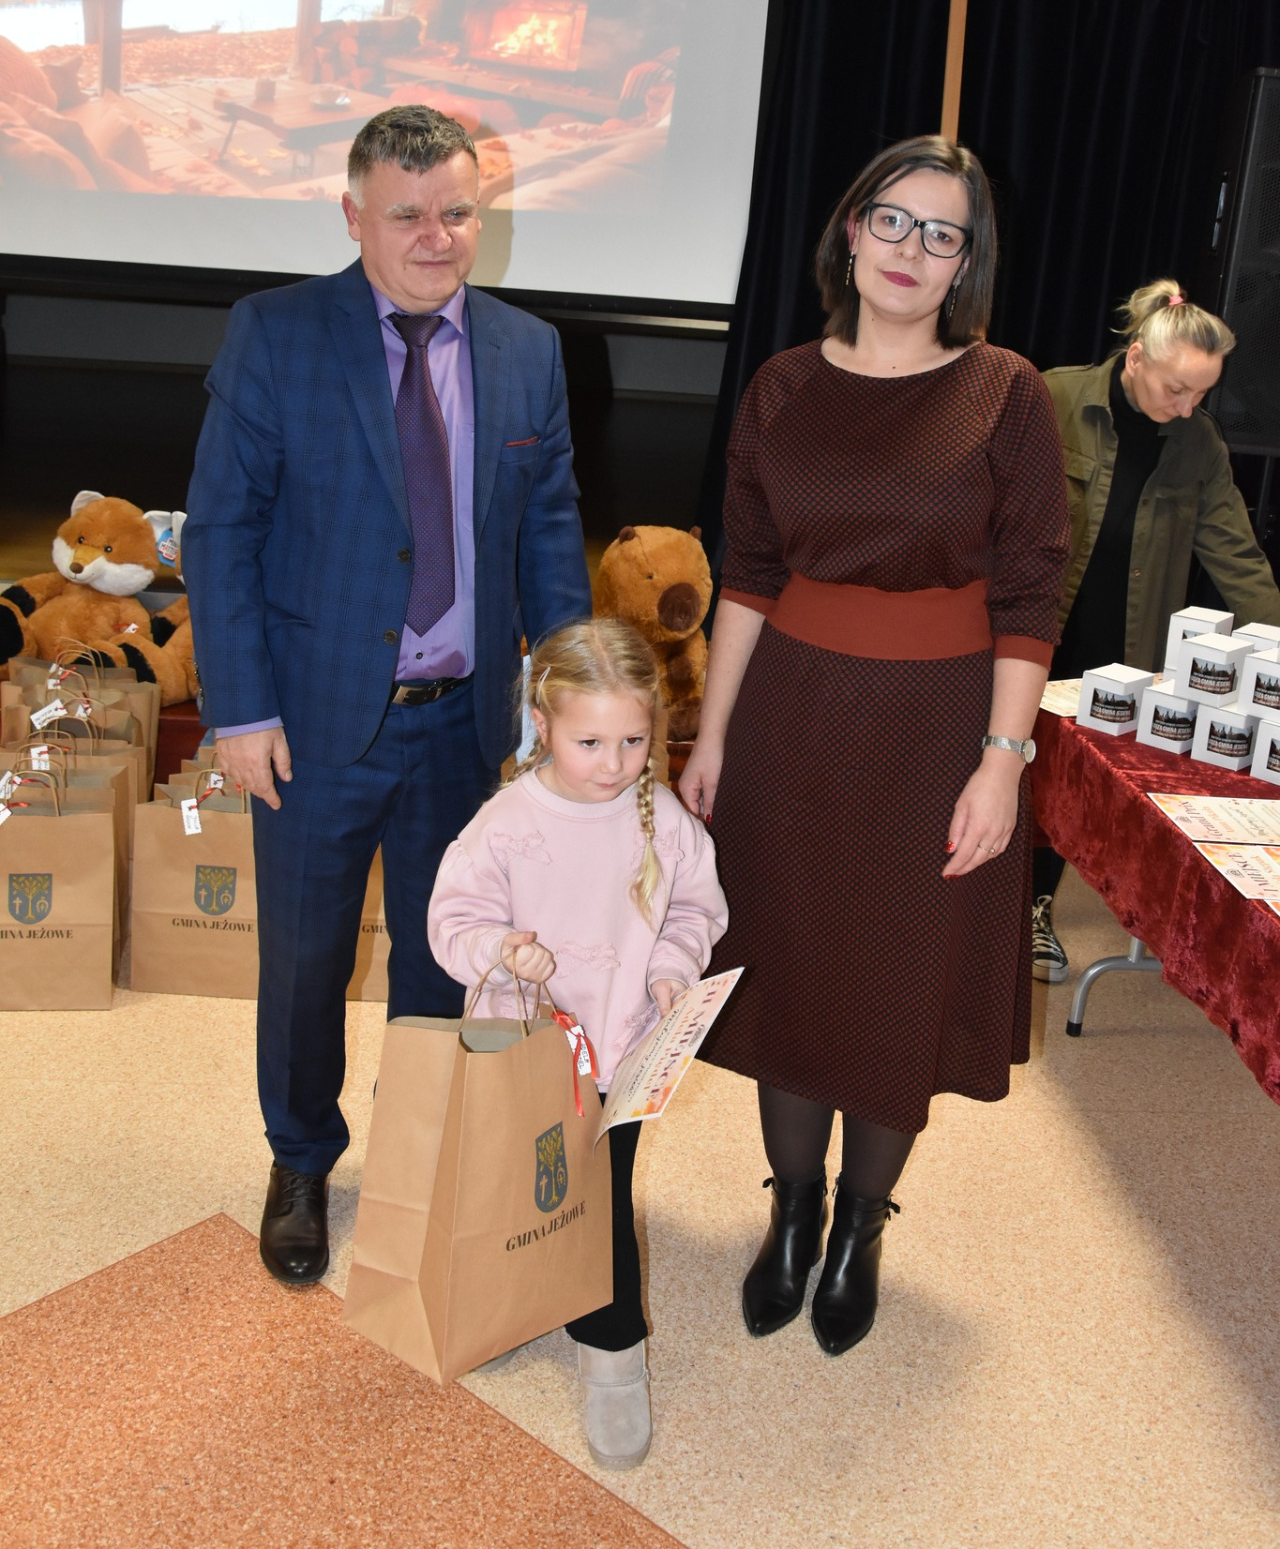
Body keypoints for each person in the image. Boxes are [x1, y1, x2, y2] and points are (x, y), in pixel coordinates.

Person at [183, 105, 592, 1286]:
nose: (435, 237)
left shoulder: (526, 350)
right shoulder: (275, 334)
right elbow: (221, 532)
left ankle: (417, 1159)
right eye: (406, 214)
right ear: (352, 214)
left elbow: (549, 531)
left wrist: (565, 708)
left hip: (462, 728)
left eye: (456, 212)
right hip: (309, 725)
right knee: (306, 965)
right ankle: (301, 1159)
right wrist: (239, 712)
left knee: (445, 960)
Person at [679, 134, 1069, 1356]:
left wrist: (1001, 761)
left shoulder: (1004, 392)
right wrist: (711, 736)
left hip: (938, 732)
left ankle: (858, 1226)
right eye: (891, 221)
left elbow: (1030, 589)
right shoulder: (780, 388)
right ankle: (791, 1212)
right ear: (850, 231)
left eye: (941, 234)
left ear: (965, 263)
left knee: (896, 982)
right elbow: (748, 572)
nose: (910, 250)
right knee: (790, 969)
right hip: (789, 723)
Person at [428, 618, 727, 1469]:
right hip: (528, 1055)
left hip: (621, 1056)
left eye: (633, 740)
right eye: (589, 742)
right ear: (543, 723)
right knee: (519, 1191)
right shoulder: (506, 822)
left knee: (598, 1205)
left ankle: (613, 1351)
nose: (613, 763)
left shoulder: (663, 819)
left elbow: (696, 908)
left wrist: (670, 966)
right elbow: (451, 920)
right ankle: (517, 1303)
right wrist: (499, 950)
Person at [1032, 280, 1280, 981]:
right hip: (1036, 626)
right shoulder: (1053, 397)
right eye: (1177, 389)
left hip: (1125, 646)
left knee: (1060, 785)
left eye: (1201, 393)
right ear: (1136, 356)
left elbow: (1236, 555)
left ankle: (1034, 908)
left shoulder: (1198, 443)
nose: (1188, 407)